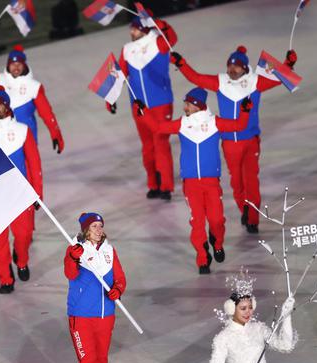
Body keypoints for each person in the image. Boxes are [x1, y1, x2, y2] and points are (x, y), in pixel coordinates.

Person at [170, 47, 297, 232]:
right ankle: (244, 208)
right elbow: (196, 78)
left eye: (236, 66)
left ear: (245, 68)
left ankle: (253, 220)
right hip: (230, 143)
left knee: (251, 181)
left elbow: (278, 78)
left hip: (250, 140)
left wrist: (289, 64)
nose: (232, 69)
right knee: (236, 182)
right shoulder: (221, 82)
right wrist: (180, 62)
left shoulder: (255, 82)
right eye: (229, 65)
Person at [135, 88, 252, 274]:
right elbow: (158, 127)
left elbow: (239, 125)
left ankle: (217, 242)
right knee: (197, 223)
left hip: (211, 182)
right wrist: (143, 112)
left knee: (216, 220)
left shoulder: (214, 122)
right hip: (191, 184)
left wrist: (245, 110)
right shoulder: (182, 124)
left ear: (198, 106)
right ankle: (202, 258)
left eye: (188, 104)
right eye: (185, 103)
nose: (185, 107)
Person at [64, 213, 126, 363]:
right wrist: (72, 258)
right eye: (94, 226)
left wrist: (118, 289)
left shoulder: (109, 250)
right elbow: (70, 274)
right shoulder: (76, 250)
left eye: (100, 226)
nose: (99, 230)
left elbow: (120, 277)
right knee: (88, 361)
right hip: (81, 316)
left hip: (105, 316)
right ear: (85, 230)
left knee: (101, 360)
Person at [0, 88, 43, 294]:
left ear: (7, 106)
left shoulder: (22, 130)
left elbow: (35, 165)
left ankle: (22, 259)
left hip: (20, 195)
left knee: (24, 235)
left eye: (1, 103)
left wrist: (37, 193)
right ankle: (5, 278)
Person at [113, 11, 177, 201]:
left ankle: (166, 185)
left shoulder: (158, 42)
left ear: (143, 29)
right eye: (131, 28)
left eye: (134, 28)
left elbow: (172, 37)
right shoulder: (127, 49)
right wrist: (111, 98)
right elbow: (120, 74)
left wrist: (159, 22)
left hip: (161, 103)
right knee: (148, 147)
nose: (131, 31)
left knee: (161, 144)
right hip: (139, 107)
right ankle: (154, 183)